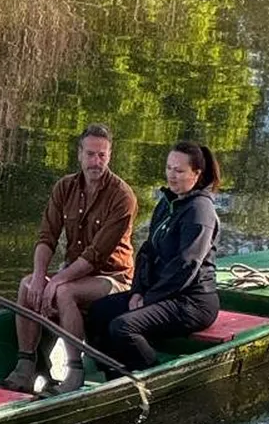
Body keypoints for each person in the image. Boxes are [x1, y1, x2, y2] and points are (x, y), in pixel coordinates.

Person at [4, 123, 137, 396]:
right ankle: (26, 364)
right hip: (74, 272)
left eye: (102, 155)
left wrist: (57, 281)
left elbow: (95, 255)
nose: (95, 162)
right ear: (79, 154)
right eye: (90, 154)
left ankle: (74, 370)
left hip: (113, 278)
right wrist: (41, 277)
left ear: (110, 156)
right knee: (28, 285)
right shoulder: (64, 187)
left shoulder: (122, 196)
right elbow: (46, 238)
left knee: (65, 292)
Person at [85, 142, 221, 372]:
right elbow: (147, 251)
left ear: (196, 174)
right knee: (98, 312)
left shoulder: (200, 211)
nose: (172, 176)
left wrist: (150, 300)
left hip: (192, 302)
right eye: (169, 168)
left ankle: (150, 373)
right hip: (159, 293)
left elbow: (186, 266)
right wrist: (138, 290)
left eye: (179, 171)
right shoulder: (168, 203)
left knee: (123, 327)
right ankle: (110, 373)